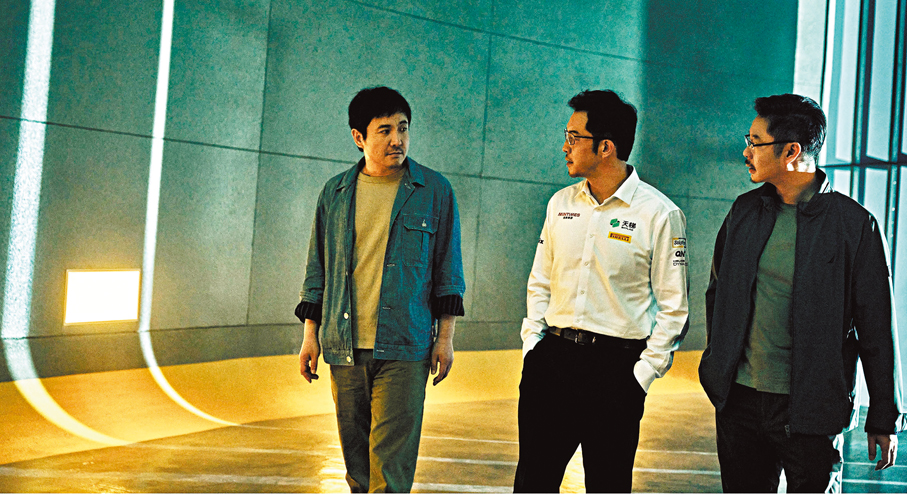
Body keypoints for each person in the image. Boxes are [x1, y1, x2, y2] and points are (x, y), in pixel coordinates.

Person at [698, 94, 903, 492]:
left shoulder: (854, 226)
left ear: (791, 151)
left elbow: (877, 327)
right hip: (740, 403)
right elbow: (717, 295)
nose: (746, 151)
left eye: (756, 142)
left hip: (812, 408)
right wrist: (717, 366)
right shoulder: (743, 212)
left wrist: (884, 416)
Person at [514, 89, 690, 492]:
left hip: (616, 372)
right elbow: (540, 281)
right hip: (551, 364)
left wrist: (641, 376)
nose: (565, 146)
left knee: (608, 485)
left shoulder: (660, 214)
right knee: (533, 483)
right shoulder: (560, 204)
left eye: (574, 137)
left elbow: (674, 308)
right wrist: (533, 348)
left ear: (606, 147)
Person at [295, 86, 466, 493]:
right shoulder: (335, 193)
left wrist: (445, 339)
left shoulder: (435, 191)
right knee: (357, 469)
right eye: (385, 130)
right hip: (344, 345)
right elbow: (317, 270)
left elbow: (448, 271)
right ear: (359, 137)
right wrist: (309, 336)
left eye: (403, 128)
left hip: (405, 347)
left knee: (389, 471)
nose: (397, 140)